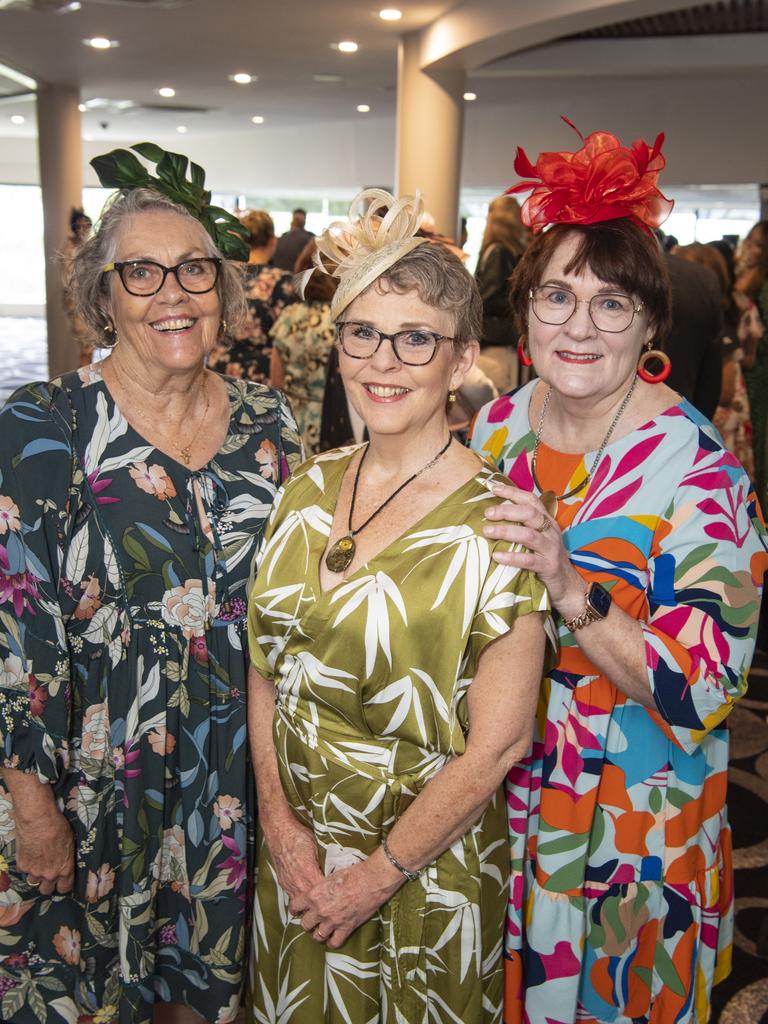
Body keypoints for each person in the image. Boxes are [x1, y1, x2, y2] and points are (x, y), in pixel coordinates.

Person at [471, 124, 768, 1023]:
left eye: (611, 304)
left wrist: (572, 588)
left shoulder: (702, 473)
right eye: (557, 296)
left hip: (630, 817)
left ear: (648, 322)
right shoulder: (496, 432)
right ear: (522, 312)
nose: (579, 326)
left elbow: (704, 688)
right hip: (501, 789)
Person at [0, 143, 302, 1024]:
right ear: (101, 296)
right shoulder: (40, 426)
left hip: (228, 779)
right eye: (141, 272)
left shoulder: (269, 424)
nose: (172, 293)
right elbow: (13, 635)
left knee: (202, 1000)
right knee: (85, 1000)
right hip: (89, 782)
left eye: (194, 270)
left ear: (225, 293)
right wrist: (33, 802)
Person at [247, 188, 554, 1023]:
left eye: (415, 338)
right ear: (337, 343)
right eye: (363, 332)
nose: (384, 361)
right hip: (299, 858)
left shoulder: (503, 522)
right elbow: (265, 664)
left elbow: (499, 745)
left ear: (461, 361)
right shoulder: (303, 487)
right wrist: (279, 824)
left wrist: (373, 876)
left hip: (423, 870)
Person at [208, 209, 297, 384]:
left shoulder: (223, 276)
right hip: (260, 377)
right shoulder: (282, 281)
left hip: (217, 372)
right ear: (273, 241)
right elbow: (288, 336)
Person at [269, 240, 337, 454]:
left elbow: (276, 381)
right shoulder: (343, 322)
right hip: (333, 424)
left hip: (292, 421)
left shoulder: (289, 316)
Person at [474, 195, 530, 393]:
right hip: (501, 342)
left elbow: (486, 298)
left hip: (494, 342)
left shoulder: (497, 251)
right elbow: (492, 298)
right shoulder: (505, 252)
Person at [736, 220, 768, 511]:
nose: (750, 249)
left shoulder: (759, 287)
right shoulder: (748, 280)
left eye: (758, 244)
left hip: (758, 376)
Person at [61, 207, 94, 367]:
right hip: (76, 301)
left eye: (86, 226)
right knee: (85, 341)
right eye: (79, 226)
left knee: (92, 341)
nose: (83, 229)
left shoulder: (91, 247)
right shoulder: (69, 248)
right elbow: (68, 277)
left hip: (91, 298)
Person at [272, 207, 315, 272]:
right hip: (301, 278)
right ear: (305, 221)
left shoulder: (280, 239)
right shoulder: (311, 239)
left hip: (279, 277)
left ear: (292, 222)